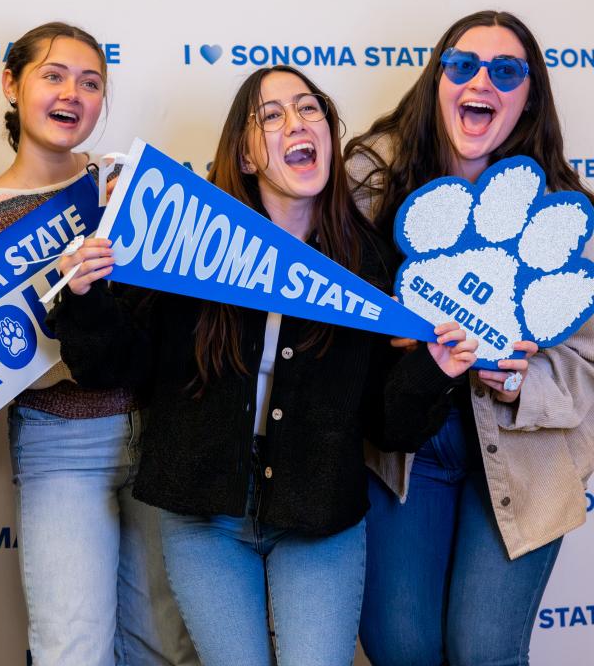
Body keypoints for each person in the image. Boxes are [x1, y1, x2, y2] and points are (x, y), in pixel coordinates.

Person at [49, 65, 478, 666]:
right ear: (246, 156)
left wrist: (434, 369)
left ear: (328, 133)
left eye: (309, 109)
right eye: (270, 116)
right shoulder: (188, 244)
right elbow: (115, 367)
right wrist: (89, 296)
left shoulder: (372, 265)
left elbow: (391, 429)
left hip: (320, 524)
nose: (297, 123)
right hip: (203, 517)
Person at [344, 9, 594, 666]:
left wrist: (518, 380)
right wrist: (392, 341)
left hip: (523, 457)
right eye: (463, 65)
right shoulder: (370, 188)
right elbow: (326, 324)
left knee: (484, 651)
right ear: (438, 81)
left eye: (506, 71)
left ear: (528, 98)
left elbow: (589, 368)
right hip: (405, 454)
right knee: (402, 650)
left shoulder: (568, 221)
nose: (481, 80)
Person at [0, 21, 196, 666]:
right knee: (72, 647)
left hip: (161, 434)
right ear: (11, 85)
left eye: (91, 82)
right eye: (53, 75)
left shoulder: (127, 188)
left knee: (168, 645)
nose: (72, 93)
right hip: (65, 449)